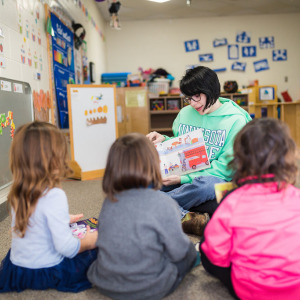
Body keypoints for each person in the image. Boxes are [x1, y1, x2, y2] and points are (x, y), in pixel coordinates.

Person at [87, 133, 199, 300]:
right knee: (190, 253)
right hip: (150, 287)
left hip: (105, 282)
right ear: (154, 164)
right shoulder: (164, 203)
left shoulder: (109, 202)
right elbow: (179, 251)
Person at [200, 118, 300, 299]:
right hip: (295, 289)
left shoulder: (232, 200)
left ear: (239, 159)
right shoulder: (297, 196)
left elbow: (215, 254)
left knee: (205, 250)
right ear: (288, 156)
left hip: (250, 290)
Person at [147, 66, 252, 234]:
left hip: (216, 181)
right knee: (144, 181)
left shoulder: (236, 120)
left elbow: (226, 169)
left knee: (208, 187)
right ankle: (184, 216)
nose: (193, 103)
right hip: (185, 179)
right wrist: (164, 140)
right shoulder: (185, 113)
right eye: (189, 98)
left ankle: (155, 206)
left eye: (197, 96)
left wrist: (183, 179)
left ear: (212, 90)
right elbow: (181, 145)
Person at [0, 121, 98, 293]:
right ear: (53, 159)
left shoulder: (17, 191)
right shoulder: (54, 195)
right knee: (97, 251)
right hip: (47, 272)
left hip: (18, 270)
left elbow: (35, 220)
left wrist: (64, 219)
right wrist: (89, 242)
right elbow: (66, 248)